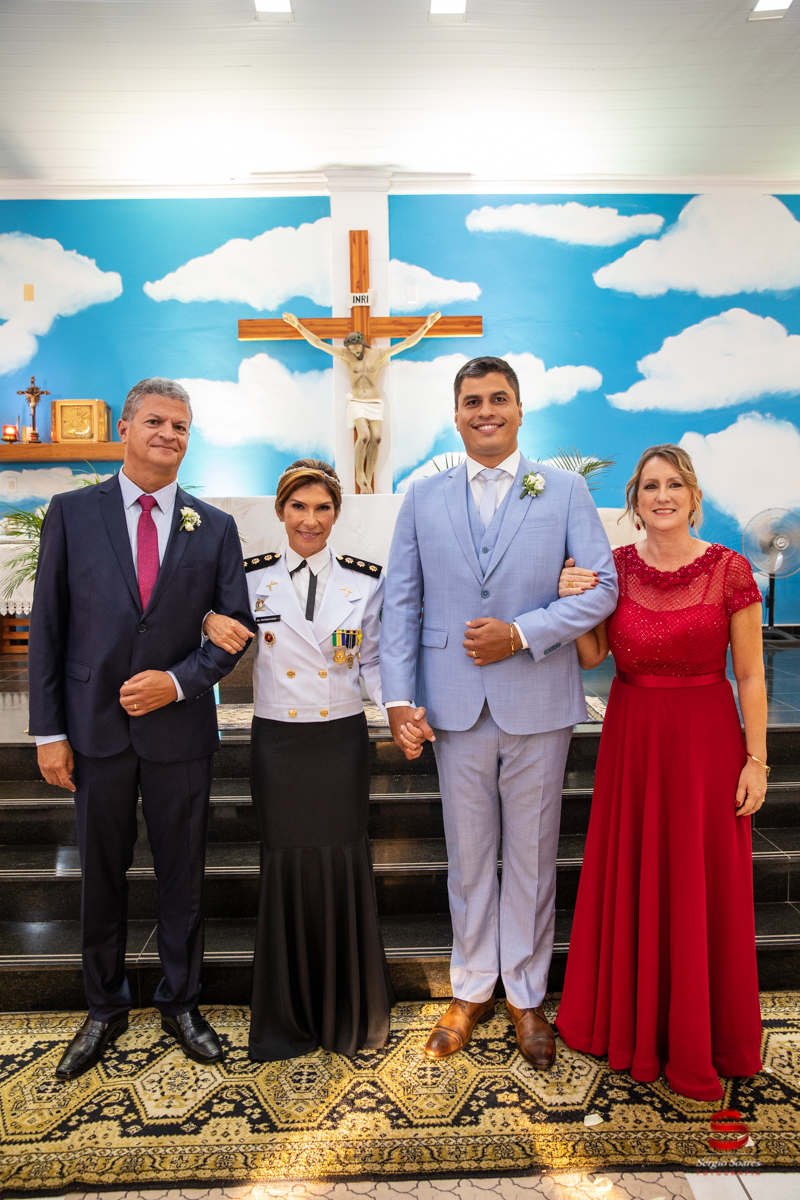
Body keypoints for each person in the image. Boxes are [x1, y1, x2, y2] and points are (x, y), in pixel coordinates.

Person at [380, 357, 618, 1066]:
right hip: (453, 703)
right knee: (468, 856)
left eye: (499, 398)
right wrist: (398, 697)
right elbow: (402, 600)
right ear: (456, 415)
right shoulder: (423, 495)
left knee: (534, 856)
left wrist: (520, 633)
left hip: (538, 699)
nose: (486, 410)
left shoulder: (564, 489)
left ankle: (526, 994)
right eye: (473, 401)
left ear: (519, 410)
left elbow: (602, 589)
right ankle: (471, 986)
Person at [28, 378, 255, 1080]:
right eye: (155, 421)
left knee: (183, 876)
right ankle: (104, 1006)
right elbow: (49, 627)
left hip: (179, 732)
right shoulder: (72, 513)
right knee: (101, 875)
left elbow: (234, 629)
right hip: (93, 731)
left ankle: (181, 1001)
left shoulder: (214, 526)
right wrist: (47, 732)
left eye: (180, 426)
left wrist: (178, 682)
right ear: (124, 429)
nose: (168, 434)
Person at [555, 444, 767, 1102]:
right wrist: (572, 602)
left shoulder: (730, 569)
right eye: (650, 486)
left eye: (674, 484)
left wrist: (757, 759)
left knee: (702, 881)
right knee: (636, 872)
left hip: (707, 744)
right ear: (636, 500)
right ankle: (633, 1024)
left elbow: (751, 674)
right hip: (634, 739)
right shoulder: (614, 568)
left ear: (694, 496)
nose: (663, 495)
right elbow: (594, 654)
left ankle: (707, 1035)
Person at [203, 459, 393, 1060]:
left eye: (323, 508)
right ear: (281, 512)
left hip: (340, 740)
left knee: (342, 859)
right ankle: (288, 1014)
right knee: (284, 863)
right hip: (279, 742)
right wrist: (206, 619)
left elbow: (374, 661)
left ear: (337, 513)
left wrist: (400, 709)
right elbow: (215, 634)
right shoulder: (251, 578)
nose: (311, 520)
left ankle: (346, 1011)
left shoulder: (365, 580)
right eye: (299, 507)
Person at [282, 310, 441, 493]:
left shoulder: (378, 355)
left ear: (363, 344)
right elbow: (318, 343)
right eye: (351, 348)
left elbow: (406, 343)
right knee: (364, 436)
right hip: (357, 401)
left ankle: (368, 477)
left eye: (357, 347)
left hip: (375, 402)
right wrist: (298, 325)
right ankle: (360, 475)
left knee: (377, 438)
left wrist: (427, 325)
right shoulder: (346, 355)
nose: (354, 351)